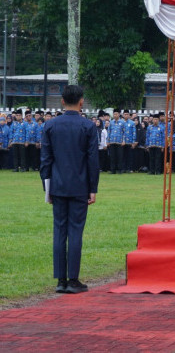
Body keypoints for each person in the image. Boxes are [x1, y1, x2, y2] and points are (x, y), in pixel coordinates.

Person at [40, 85, 99, 294]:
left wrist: (46, 188)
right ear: (81, 102)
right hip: (80, 185)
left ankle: (61, 280)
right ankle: (73, 279)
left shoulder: (50, 126)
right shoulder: (88, 127)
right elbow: (92, 160)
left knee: (59, 231)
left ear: (62, 101)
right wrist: (93, 188)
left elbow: (45, 160)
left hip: (57, 184)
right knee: (75, 231)